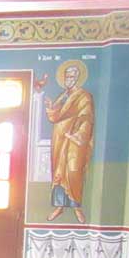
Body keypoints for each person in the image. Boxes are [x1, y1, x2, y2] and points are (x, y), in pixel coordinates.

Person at [45, 62, 94, 224]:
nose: (68, 79)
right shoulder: (63, 96)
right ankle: (59, 206)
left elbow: (87, 118)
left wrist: (77, 135)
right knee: (58, 173)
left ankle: (77, 207)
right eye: (66, 76)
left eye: (71, 76)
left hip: (74, 140)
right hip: (59, 138)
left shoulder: (84, 96)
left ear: (77, 77)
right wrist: (50, 108)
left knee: (74, 171)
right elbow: (55, 117)